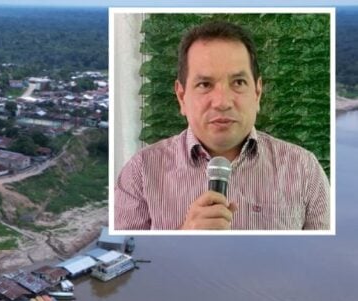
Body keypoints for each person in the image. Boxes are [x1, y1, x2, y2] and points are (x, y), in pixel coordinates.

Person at [114, 20, 330, 230]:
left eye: (238, 83)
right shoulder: (141, 173)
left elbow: (323, 259)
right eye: (205, 84)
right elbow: (124, 259)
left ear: (257, 92)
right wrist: (184, 237)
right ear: (181, 96)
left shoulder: (304, 170)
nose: (222, 102)